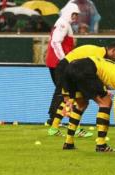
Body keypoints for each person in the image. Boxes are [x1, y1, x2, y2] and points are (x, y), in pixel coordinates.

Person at [61, 57, 115, 152]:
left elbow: (100, 77)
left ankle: (68, 142)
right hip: (85, 69)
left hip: (71, 67)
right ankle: (101, 145)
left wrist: (69, 98)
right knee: (107, 103)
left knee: (82, 104)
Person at [47, 42, 115, 137]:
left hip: (68, 68)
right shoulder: (99, 54)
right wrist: (104, 90)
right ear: (113, 51)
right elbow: (94, 74)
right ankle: (70, 129)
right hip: (67, 68)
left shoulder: (98, 51)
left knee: (74, 99)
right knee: (75, 99)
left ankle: (55, 128)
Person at [45, 3, 80, 132]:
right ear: (68, 12)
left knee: (61, 90)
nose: (75, 17)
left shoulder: (63, 22)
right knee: (62, 90)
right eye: (74, 14)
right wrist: (64, 60)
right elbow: (56, 42)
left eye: (76, 15)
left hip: (55, 62)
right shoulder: (63, 23)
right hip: (58, 63)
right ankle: (54, 118)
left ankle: (53, 118)